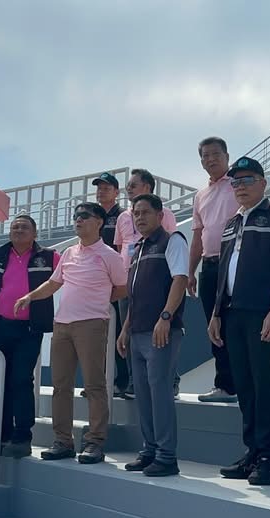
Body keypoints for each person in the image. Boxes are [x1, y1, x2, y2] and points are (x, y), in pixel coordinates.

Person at [14, 202, 127, 464]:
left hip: (91, 324)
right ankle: (63, 441)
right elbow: (54, 283)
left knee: (94, 385)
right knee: (60, 386)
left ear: (99, 222)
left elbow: (122, 288)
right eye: (76, 216)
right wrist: (30, 296)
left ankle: (95, 442)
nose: (78, 220)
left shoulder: (109, 255)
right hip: (62, 325)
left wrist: (98, 300)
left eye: (84, 216)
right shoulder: (69, 252)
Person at [208, 157, 270, 486]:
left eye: (247, 180)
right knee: (244, 386)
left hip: (262, 312)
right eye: (236, 182)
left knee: (264, 384)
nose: (240, 186)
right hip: (232, 313)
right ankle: (253, 453)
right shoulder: (231, 223)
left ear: (263, 183)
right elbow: (223, 272)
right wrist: (216, 313)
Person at [117, 194, 188, 477]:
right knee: (143, 395)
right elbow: (135, 295)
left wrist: (166, 317)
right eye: (136, 213)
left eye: (145, 212)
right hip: (137, 332)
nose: (140, 218)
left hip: (161, 331)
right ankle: (149, 451)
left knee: (160, 392)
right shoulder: (139, 248)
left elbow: (180, 279)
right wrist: (125, 329)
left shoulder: (172, 241)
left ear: (160, 216)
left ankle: (166, 456)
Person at [0, 215, 59, 459]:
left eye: (24, 227)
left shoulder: (49, 257)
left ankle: (22, 436)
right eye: (14, 227)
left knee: (21, 380)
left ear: (35, 233)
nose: (19, 230)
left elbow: (65, 279)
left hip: (29, 329)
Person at [113, 168, 180, 399]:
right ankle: (134, 382)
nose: (128, 189)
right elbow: (120, 247)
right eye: (127, 186)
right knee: (131, 334)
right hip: (129, 282)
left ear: (147, 187)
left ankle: (172, 381)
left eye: (133, 185)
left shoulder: (165, 214)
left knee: (162, 338)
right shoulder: (123, 217)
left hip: (155, 281)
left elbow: (169, 244)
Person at [190, 137, 240, 404]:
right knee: (214, 326)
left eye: (215, 154)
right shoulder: (200, 195)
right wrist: (190, 271)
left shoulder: (239, 184)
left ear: (227, 156)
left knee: (235, 324)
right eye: (205, 155)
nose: (210, 159)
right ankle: (224, 385)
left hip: (234, 263)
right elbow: (198, 236)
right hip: (209, 266)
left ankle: (240, 383)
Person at [91, 171, 128, 398]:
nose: (101, 192)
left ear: (116, 192)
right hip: (95, 284)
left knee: (117, 333)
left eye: (106, 188)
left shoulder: (122, 216)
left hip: (115, 282)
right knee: (97, 337)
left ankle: (121, 382)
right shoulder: (91, 216)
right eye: (99, 188)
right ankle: (100, 383)